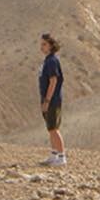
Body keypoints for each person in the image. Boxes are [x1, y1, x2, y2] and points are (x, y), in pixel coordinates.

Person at [39, 33, 65, 167]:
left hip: (53, 100)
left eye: (44, 44)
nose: (41, 47)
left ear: (51, 45)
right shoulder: (47, 61)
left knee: (54, 128)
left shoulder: (52, 61)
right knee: (50, 128)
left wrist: (47, 100)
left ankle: (61, 156)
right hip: (47, 99)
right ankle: (54, 154)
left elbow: (53, 81)